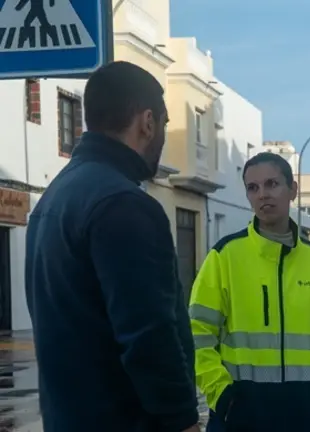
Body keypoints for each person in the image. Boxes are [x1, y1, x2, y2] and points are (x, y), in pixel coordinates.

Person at [25, 61, 200, 432]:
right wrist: (183, 421)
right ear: (147, 122)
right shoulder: (123, 204)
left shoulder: (54, 198)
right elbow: (148, 335)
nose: (162, 136)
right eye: (165, 125)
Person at [190, 152, 310, 432]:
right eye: (253, 188)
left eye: (272, 184)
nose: (262, 195)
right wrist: (222, 395)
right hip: (241, 417)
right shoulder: (224, 257)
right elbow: (196, 333)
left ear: (293, 190)